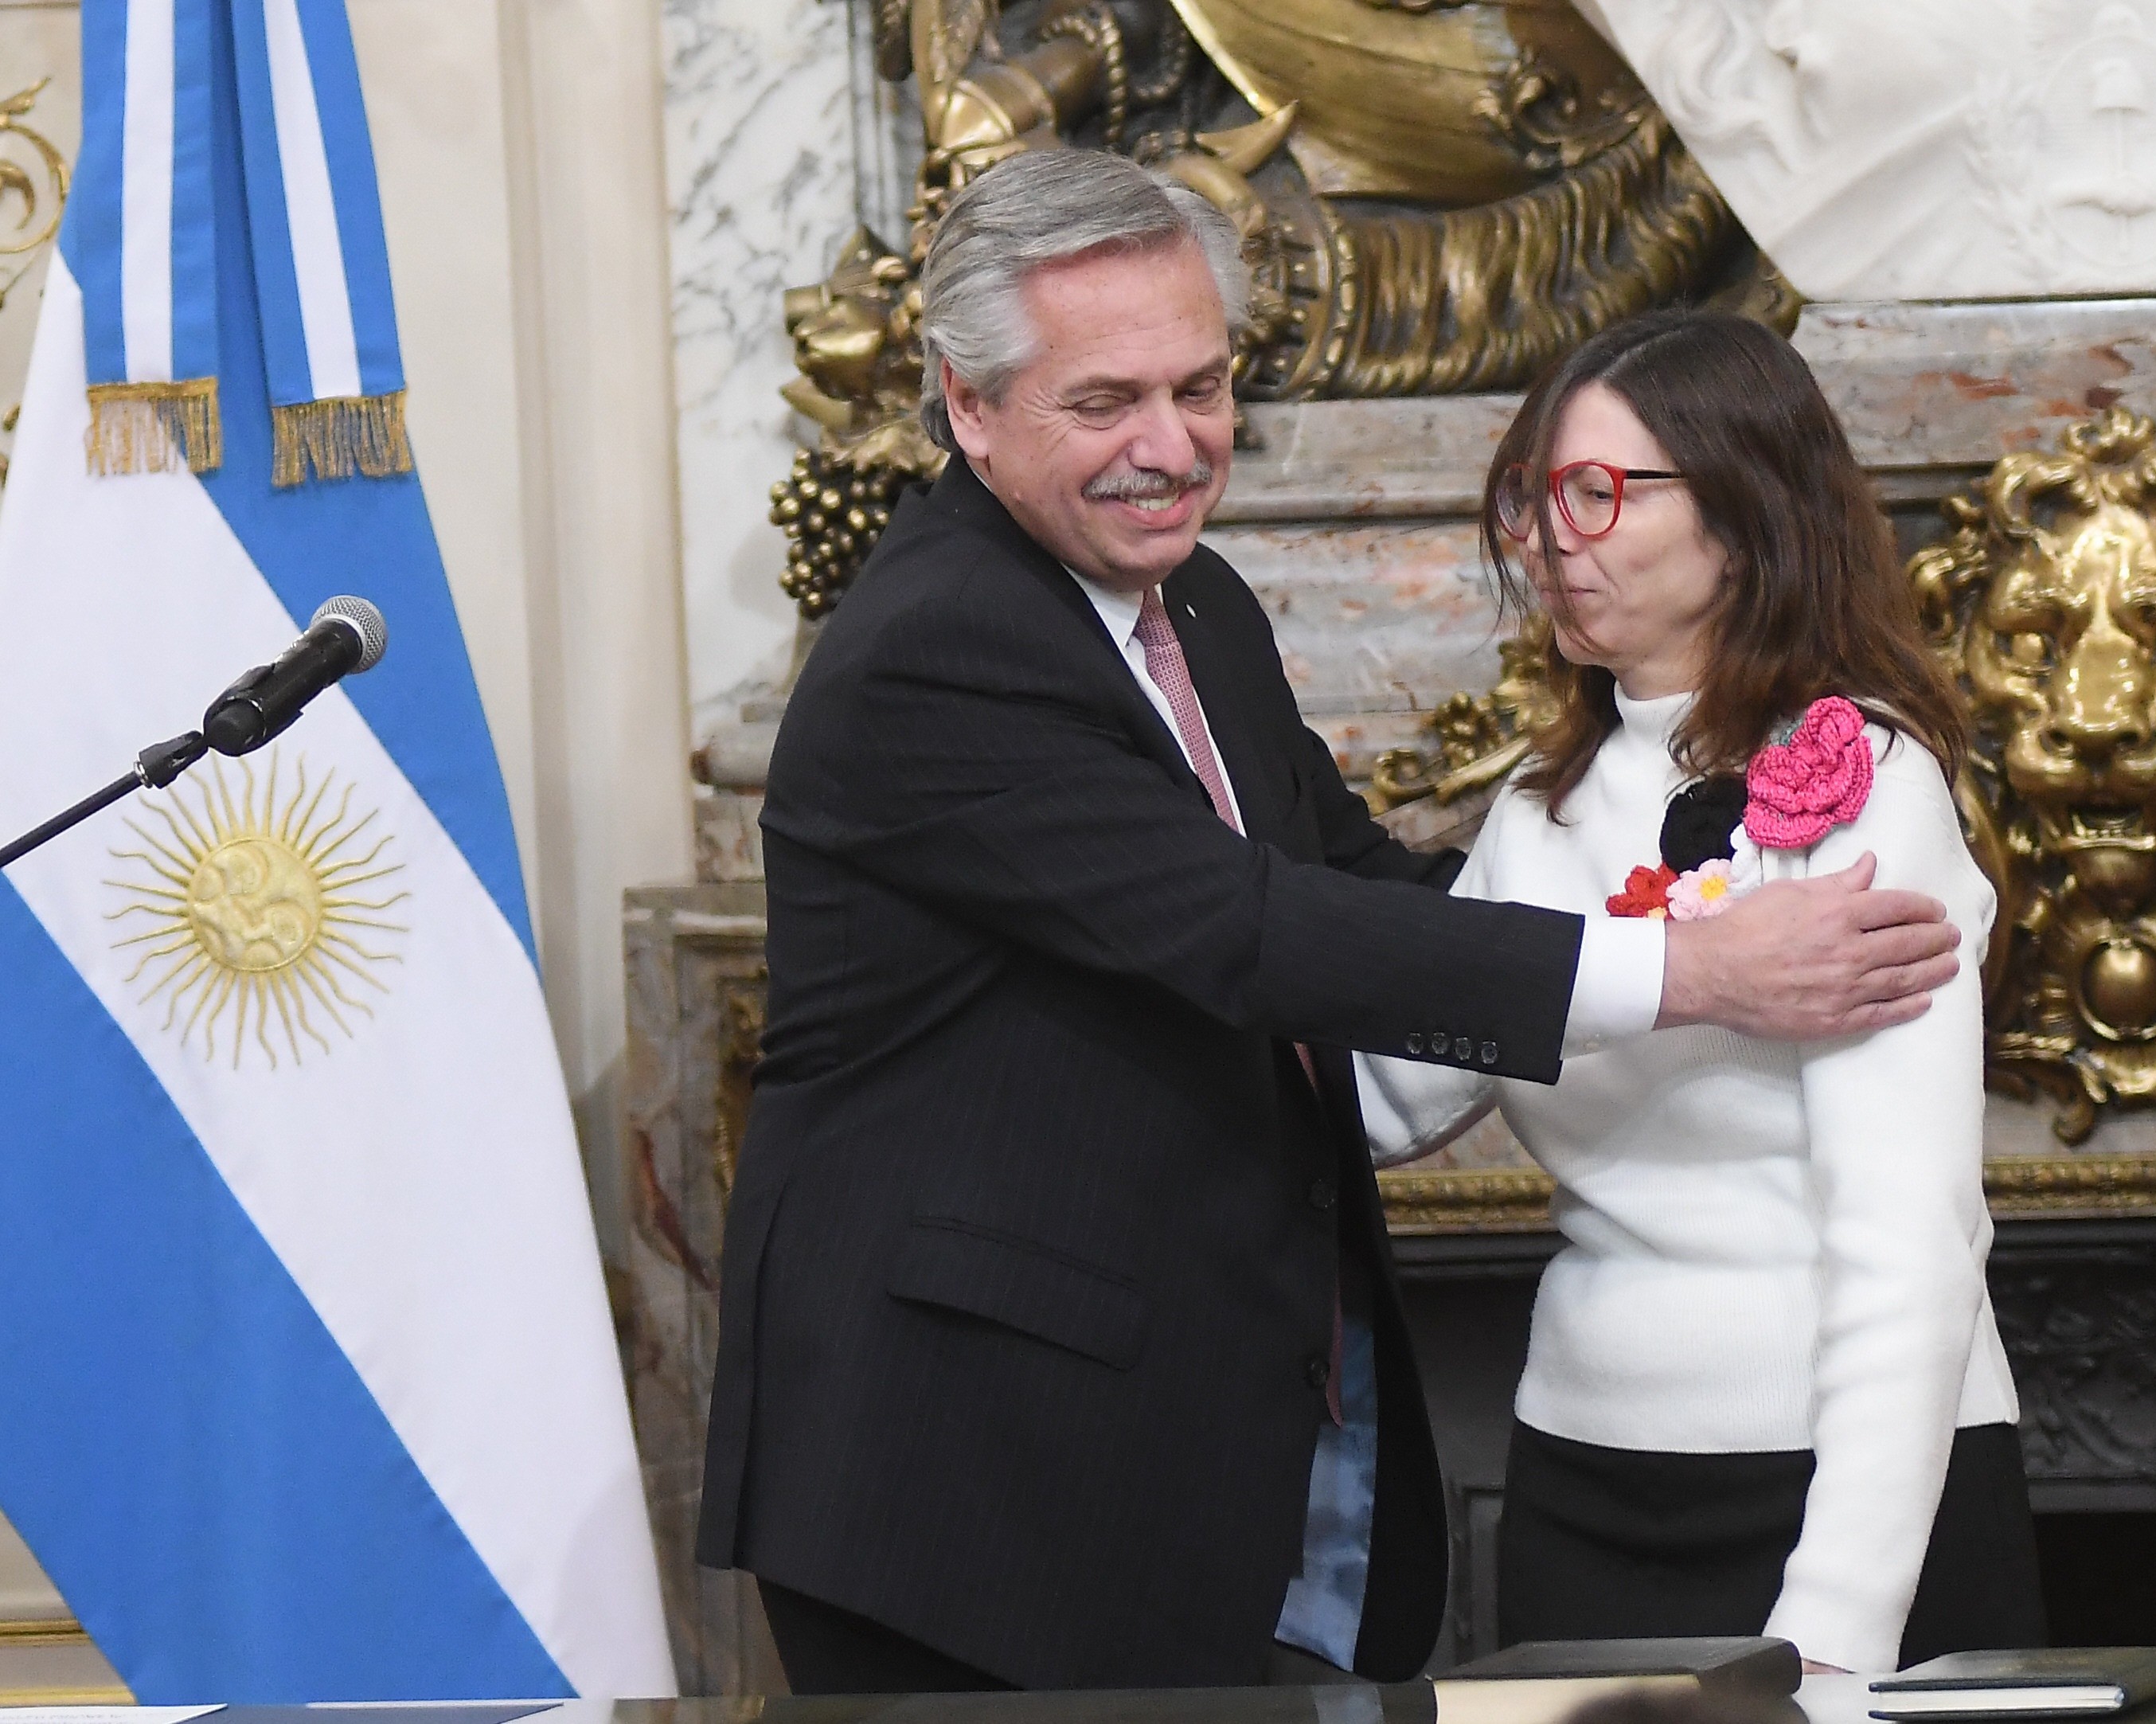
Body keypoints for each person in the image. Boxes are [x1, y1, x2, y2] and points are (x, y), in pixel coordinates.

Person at [695, 149, 1967, 1696]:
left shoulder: (1199, 607)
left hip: (1166, 1458)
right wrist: (1689, 964)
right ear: (969, 404)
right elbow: (1250, 930)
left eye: (1204, 386)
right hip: (965, 1480)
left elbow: (1351, 879)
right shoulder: (937, 645)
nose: (1171, 447)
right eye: (1107, 403)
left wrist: (1619, 879)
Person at [1360, 311, 2045, 1676]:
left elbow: (1912, 1239)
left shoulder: (1867, 787)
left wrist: (1832, 1631)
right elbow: (1385, 1104)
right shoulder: (1536, 810)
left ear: (1744, 515)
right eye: (1532, 497)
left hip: (1841, 1498)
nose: (1553, 540)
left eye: (1598, 493)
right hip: (1583, 1486)